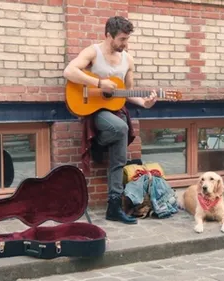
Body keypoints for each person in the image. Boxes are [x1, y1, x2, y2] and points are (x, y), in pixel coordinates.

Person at [63, 16, 157, 225]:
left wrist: (145, 103)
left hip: (115, 111)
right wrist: (98, 82)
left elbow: (126, 92)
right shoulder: (93, 52)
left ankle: (113, 206)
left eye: (127, 39)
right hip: (94, 112)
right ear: (108, 35)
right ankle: (97, 142)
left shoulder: (128, 60)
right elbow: (69, 71)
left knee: (119, 160)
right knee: (120, 127)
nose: (125, 44)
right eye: (122, 39)